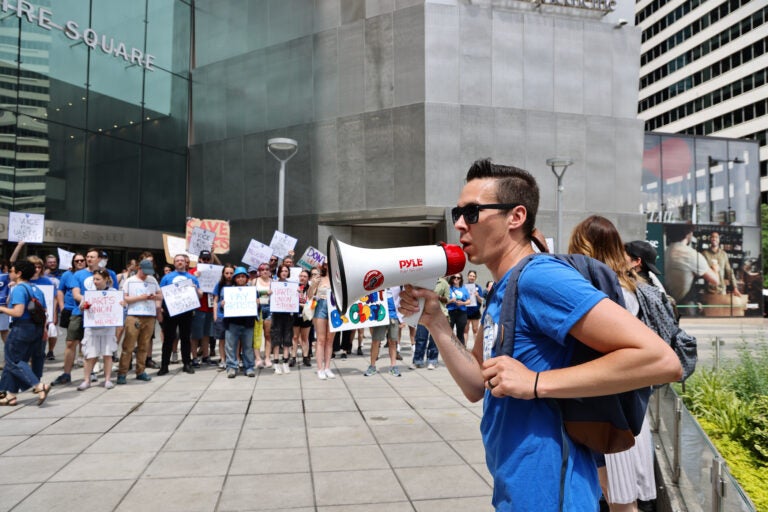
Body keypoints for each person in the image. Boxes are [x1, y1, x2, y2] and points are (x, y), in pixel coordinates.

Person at [398, 158, 681, 511]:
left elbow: (661, 360)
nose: (459, 224)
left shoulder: (539, 278)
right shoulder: (503, 288)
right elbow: (476, 385)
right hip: (518, 488)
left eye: (472, 213)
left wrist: (536, 382)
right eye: (458, 212)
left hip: (551, 495)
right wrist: (436, 322)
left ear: (515, 217)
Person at [569, 215, 658, 511]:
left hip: (605, 404)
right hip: (633, 402)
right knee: (625, 499)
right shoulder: (635, 288)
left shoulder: (594, 291)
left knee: (615, 498)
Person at [0, 260, 51, 406]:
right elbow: (44, 312)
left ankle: (38, 386)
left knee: (13, 361)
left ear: (19, 273)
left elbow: (17, 312)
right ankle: (10, 394)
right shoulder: (36, 289)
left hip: (21, 328)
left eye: (12, 270)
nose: (9, 273)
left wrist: (2, 309)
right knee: (19, 360)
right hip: (36, 329)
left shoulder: (19, 289)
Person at [117, 259, 161, 384]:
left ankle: (140, 371)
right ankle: (122, 372)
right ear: (139, 268)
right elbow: (124, 298)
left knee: (144, 345)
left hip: (149, 315)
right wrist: (139, 298)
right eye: (144, 272)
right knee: (128, 346)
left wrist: (155, 297)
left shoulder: (152, 280)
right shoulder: (130, 281)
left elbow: (161, 295)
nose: (146, 275)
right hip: (134, 315)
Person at [77, 269, 122, 390]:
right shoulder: (89, 293)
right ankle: (86, 380)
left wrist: (122, 304)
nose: (95, 282)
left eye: (98, 279)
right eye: (94, 279)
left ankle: (107, 380)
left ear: (106, 279)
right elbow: (81, 308)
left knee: (107, 354)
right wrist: (84, 306)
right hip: (92, 328)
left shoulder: (114, 292)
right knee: (89, 355)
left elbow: (119, 307)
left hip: (108, 328)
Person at [158, 254, 202, 375]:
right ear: (174, 263)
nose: (180, 262)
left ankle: (186, 364)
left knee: (185, 338)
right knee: (168, 339)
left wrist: (196, 290)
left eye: (182, 260)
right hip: (170, 312)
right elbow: (160, 294)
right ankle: (164, 365)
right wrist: (159, 309)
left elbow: (200, 295)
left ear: (186, 263)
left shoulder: (192, 278)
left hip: (186, 312)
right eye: (177, 261)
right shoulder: (167, 278)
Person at [51, 253, 87, 386]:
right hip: (71, 309)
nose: (79, 262)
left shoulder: (91, 274)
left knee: (86, 342)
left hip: (87, 312)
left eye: (81, 260)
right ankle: (67, 372)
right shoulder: (67, 275)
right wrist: (62, 306)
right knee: (71, 341)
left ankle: (87, 367)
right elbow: (60, 291)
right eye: (76, 261)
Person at [664, 224, 719, 311]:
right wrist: (715, 268)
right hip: (685, 307)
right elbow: (715, 280)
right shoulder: (691, 254)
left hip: (668, 305)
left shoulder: (666, 251)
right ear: (688, 234)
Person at [221, 267, 257, 378]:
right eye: (238, 277)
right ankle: (231, 367)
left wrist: (258, 303)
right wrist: (222, 305)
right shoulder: (227, 290)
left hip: (248, 323)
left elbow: (259, 305)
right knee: (230, 346)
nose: (241, 279)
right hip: (232, 323)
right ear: (234, 279)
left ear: (247, 278)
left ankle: (249, 367)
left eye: (243, 276)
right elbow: (220, 307)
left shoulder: (252, 290)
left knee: (248, 347)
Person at [410, 276, 449, 370]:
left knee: (434, 339)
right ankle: (417, 360)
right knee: (420, 337)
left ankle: (432, 360)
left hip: (438, 314)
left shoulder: (443, 283)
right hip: (423, 313)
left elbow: (447, 299)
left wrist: (438, 297)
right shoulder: (423, 281)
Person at [363, 287, 403, 377]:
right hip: (380, 315)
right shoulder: (379, 282)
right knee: (376, 341)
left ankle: (393, 366)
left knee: (393, 342)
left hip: (394, 316)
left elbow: (401, 298)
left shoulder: (398, 283)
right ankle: (372, 366)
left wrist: (401, 317)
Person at [308, 262, 334, 379]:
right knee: (321, 339)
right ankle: (320, 368)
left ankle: (327, 367)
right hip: (321, 306)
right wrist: (313, 285)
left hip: (334, 308)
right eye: (327, 264)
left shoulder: (338, 279)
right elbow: (309, 296)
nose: (329, 265)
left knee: (330, 340)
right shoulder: (319, 278)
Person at [190, 250, 215, 367]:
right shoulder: (192, 272)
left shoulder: (213, 271)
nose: (205, 261)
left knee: (207, 334)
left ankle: (206, 356)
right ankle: (194, 357)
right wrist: (194, 278)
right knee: (195, 334)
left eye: (207, 259)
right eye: (203, 259)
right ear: (199, 259)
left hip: (209, 307)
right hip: (198, 308)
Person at [700, 232, 742, 297]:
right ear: (710, 239)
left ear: (719, 240)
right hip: (708, 291)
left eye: (716, 237)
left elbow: (729, 271)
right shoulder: (704, 254)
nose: (714, 239)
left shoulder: (724, 254)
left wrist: (735, 287)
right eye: (712, 237)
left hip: (721, 290)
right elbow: (700, 271)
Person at [269, 264, 293, 374]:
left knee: (287, 338)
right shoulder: (274, 284)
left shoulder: (291, 285)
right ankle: (276, 362)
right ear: (279, 272)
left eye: (286, 271)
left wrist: (297, 293)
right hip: (277, 314)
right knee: (276, 338)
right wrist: (269, 294)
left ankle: (285, 362)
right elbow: (268, 300)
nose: (284, 272)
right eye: (282, 270)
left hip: (288, 314)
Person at [253, 263, 274, 368]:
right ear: (259, 271)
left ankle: (267, 357)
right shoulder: (254, 281)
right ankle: (257, 358)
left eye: (267, 269)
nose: (265, 271)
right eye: (262, 269)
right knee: (257, 334)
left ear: (270, 271)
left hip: (269, 309)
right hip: (258, 309)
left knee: (268, 334)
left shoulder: (273, 282)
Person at [293, 269, 312, 367]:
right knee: (295, 337)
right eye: (301, 276)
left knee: (305, 337)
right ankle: (293, 357)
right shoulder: (295, 287)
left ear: (308, 278)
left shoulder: (310, 289)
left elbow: (312, 302)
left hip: (306, 314)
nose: (302, 278)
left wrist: (302, 304)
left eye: (305, 276)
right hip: (296, 314)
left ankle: (305, 357)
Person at [447, 273, 471, 345]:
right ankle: (450, 349)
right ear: (452, 278)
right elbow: (443, 301)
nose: (456, 279)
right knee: (449, 332)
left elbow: (469, 301)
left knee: (460, 333)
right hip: (451, 311)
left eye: (458, 278)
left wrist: (462, 303)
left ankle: (461, 351)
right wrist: (451, 300)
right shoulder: (448, 288)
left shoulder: (464, 288)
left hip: (461, 312)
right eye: (454, 277)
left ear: (461, 279)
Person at [464, 269, 486, 344]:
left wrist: (477, 296)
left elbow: (481, 301)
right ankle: (464, 348)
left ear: (475, 278)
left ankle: (475, 350)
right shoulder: (464, 287)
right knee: (465, 330)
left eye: (473, 276)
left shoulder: (478, 287)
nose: (472, 277)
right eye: (470, 275)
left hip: (475, 312)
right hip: (465, 311)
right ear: (467, 276)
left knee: (475, 330)